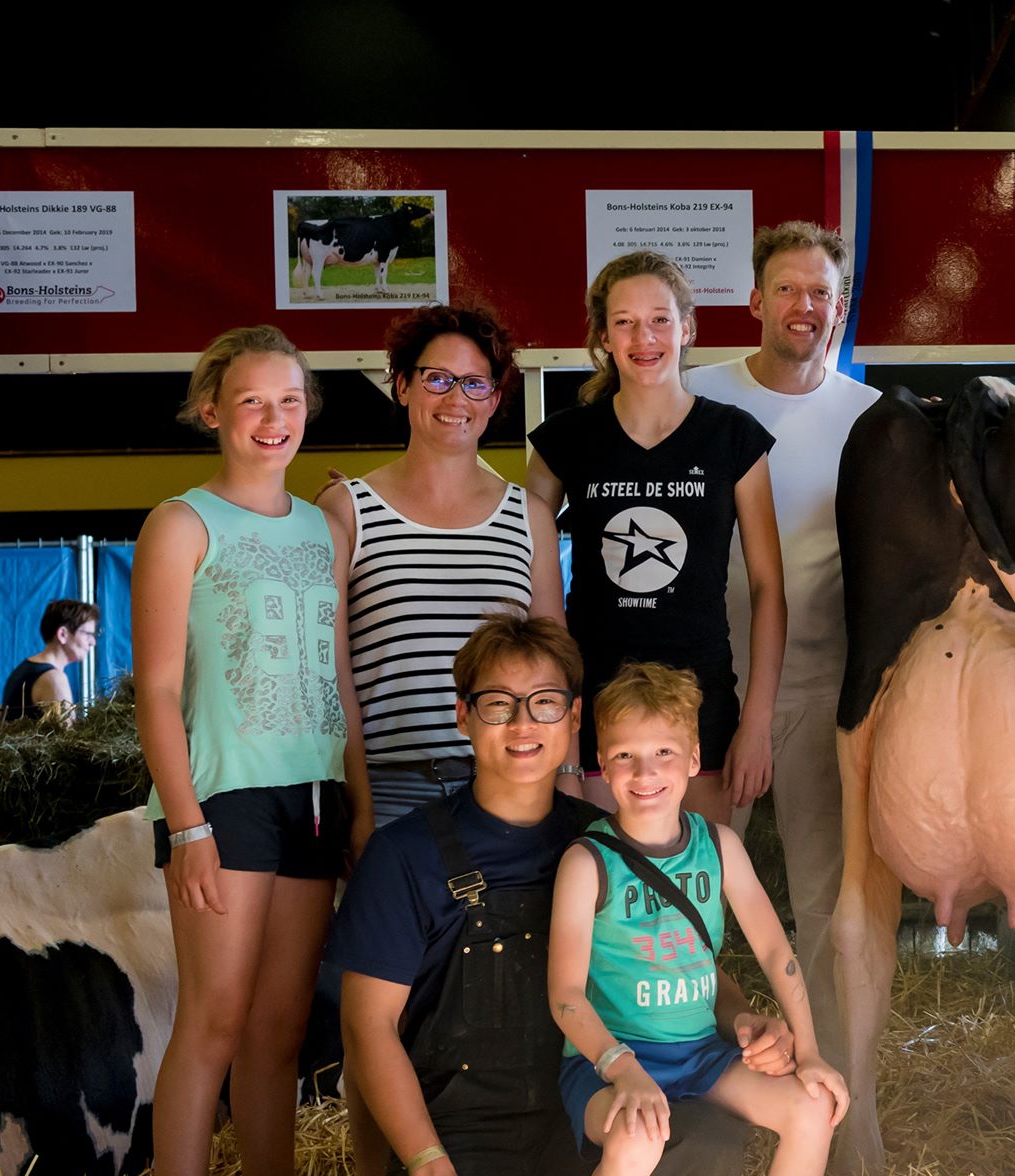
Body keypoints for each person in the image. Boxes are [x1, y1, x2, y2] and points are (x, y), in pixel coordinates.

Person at [330, 614, 792, 1176]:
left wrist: (738, 1019)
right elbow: (366, 1028)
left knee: (708, 1144)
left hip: (583, 1118)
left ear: (574, 718)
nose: (523, 722)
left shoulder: (606, 840)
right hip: (462, 1137)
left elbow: (684, 959)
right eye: (497, 702)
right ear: (463, 715)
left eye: (545, 701)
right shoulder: (406, 855)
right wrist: (431, 1173)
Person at [133, 325, 371, 1176]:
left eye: (290, 401)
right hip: (224, 799)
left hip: (313, 794)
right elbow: (152, 690)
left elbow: (337, 676)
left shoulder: (324, 528)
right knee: (216, 1020)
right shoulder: (181, 525)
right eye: (253, 401)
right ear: (212, 412)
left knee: (281, 1024)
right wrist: (186, 824)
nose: (274, 419)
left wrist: (358, 800)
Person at [550, 662, 847, 1176]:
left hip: (699, 1052)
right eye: (623, 753)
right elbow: (565, 996)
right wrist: (621, 1068)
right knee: (637, 1133)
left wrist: (810, 1051)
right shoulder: (587, 862)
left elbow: (778, 952)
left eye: (661, 752)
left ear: (692, 759)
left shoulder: (721, 847)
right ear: (600, 763)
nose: (643, 770)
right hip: (608, 1060)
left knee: (813, 1108)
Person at [685, 221, 881, 1045]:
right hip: (694, 692)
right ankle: (689, 1070)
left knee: (823, 905)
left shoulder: (875, 420)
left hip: (818, 690)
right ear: (755, 299)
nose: (806, 307)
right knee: (685, 896)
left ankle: (831, 1084)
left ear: (842, 308)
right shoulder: (697, 397)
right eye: (789, 290)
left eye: (822, 294)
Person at [524, 252, 787, 829]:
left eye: (660, 319)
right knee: (605, 895)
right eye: (624, 321)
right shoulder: (565, 440)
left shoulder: (733, 437)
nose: (644, 337)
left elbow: (770, 589)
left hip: (702, 705)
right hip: (594, 705)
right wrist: (558, 724)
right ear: (603, 336)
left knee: (696, 898)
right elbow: (520, 554)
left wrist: (757, 725)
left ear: (688, 328)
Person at [318, 305, 570, 825]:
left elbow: (554, 669)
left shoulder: (530, 516)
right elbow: (332, 671)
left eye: (476, 383)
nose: (457, 398)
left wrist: (563, 782)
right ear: (403, 385)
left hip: (509, 785)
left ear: (495, 399)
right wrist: (359, 804)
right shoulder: (346, 509)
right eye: (438, 378)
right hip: (387, 788)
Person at [0, 598, 98, 735]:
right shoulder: (54, 679)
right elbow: (67, 741)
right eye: (88, 634)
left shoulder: (23, 669)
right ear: (62, 634)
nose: (93, 642)